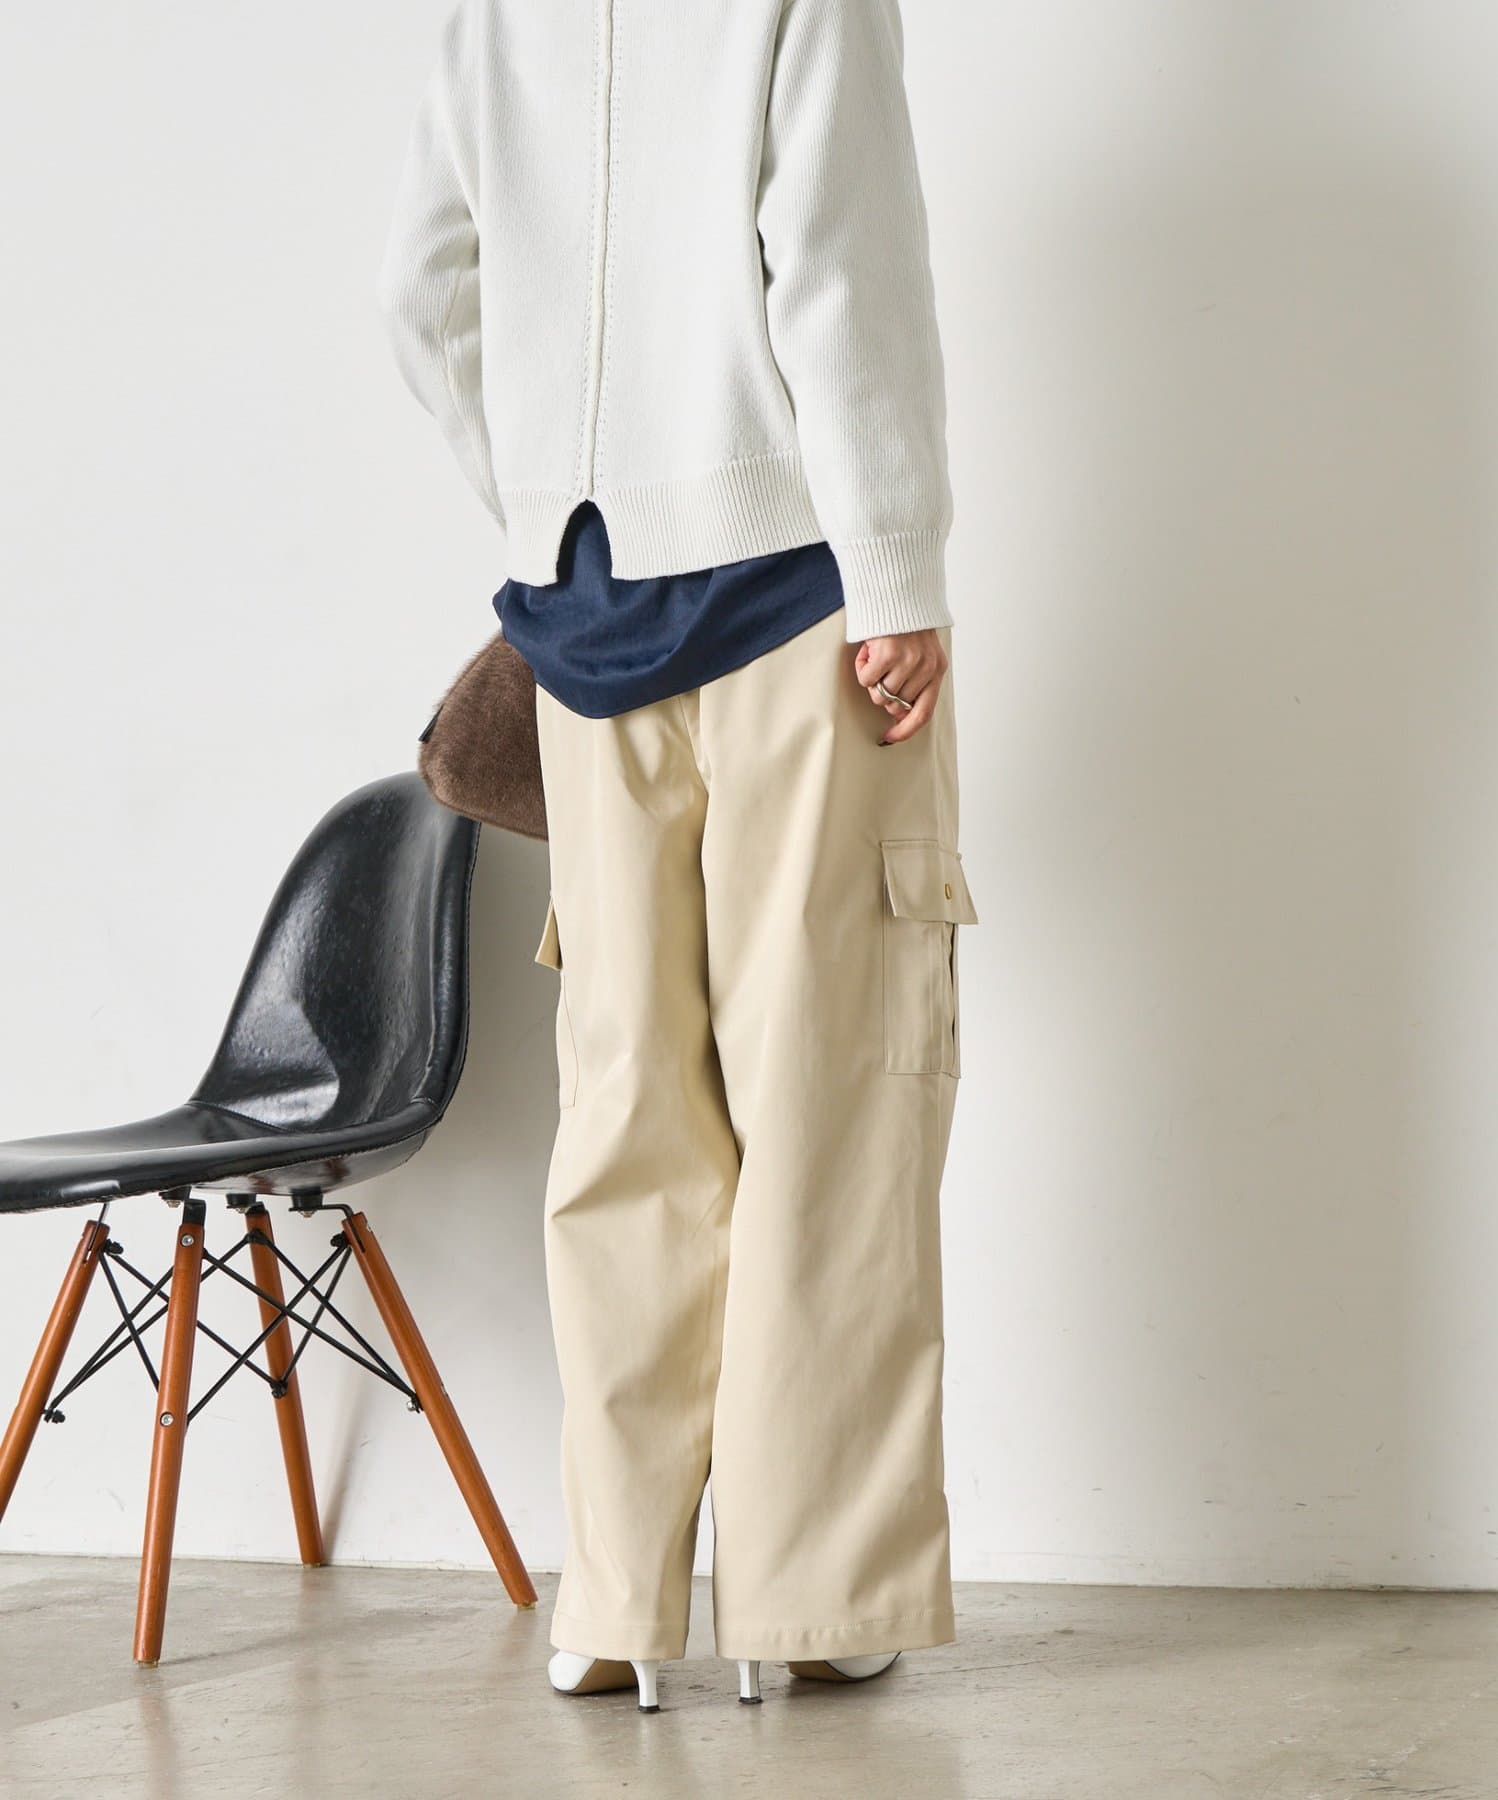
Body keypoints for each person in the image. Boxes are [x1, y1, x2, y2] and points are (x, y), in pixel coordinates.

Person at [379, 0, 977, 1714]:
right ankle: (811, 1596)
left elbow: (422, 291)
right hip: (797, 593)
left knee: (628, 1099)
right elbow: (839, 261)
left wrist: (545, 503)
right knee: (830, 1090)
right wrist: (897, 566)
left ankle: (617, 1600)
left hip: (581, 611)